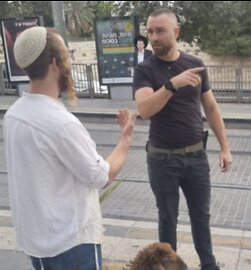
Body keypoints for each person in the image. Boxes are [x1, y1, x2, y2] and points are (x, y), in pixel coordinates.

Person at [4, 26, 137, 270]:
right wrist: (126, 138)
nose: (70, 62)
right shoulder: (60, 123)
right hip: (71, 244)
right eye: (68, 55)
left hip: (39, 243)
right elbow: (102, 176)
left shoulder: (14, 115)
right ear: (55, 63)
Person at [132, 8, 233, 270]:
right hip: (162, 159)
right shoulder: (144, 70)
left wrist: (225, 147)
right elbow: (144, 109)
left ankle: (208, 265)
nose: (154, 37)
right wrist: (171, 85)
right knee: (168, 220)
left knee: (201, 217)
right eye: (150, 31)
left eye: (160, 31)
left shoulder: (195, 65)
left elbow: (211, 108)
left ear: (176, 32)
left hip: (196, 156)